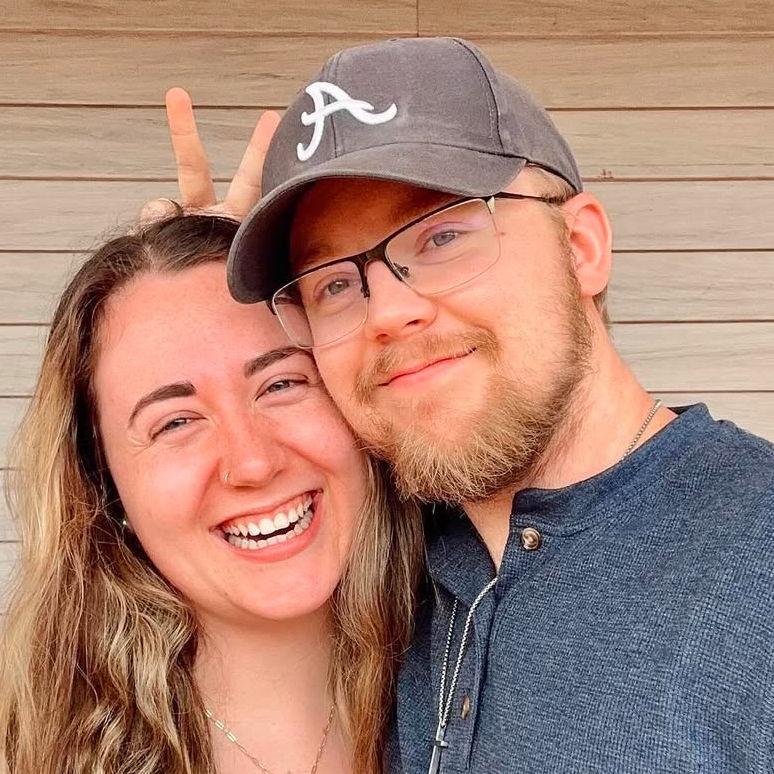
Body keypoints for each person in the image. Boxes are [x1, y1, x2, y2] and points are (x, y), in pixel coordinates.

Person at [166, 37, 773, 772]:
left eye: (444, 235)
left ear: (581, 247)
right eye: (334, 284)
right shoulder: (379, 565)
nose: (389, 313)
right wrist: (188, 308)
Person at [0, 214, 423, 774]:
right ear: (103, 484)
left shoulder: (481, 664)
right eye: (175, 423)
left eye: (281, 384)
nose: (253, 463)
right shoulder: (30, 751)